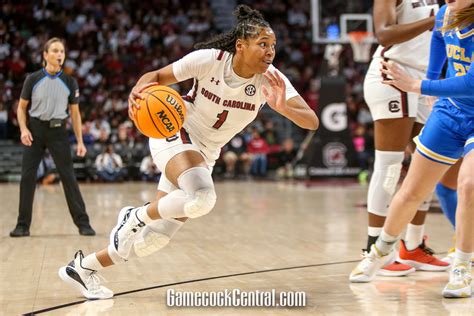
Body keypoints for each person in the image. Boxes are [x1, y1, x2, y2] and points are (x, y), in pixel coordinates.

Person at [58, 5, 318, 299]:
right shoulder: (209, 60)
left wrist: (283, 107)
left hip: (206, 153)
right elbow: (155, 76)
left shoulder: (271, 79)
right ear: (241, 45)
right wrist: (137, 91)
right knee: (202, 197)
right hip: (177, 130)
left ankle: (82, 268)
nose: (270, 51)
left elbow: (312, 121)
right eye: (262, 44)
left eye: (273, 45)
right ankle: (134, 215)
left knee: (148, 242)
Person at [349, 0, 473, 299]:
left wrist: (420, 86)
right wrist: (430, 79)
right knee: (411, 189)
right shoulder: (445, 13)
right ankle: (380, 250)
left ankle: (463, 267)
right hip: (451, 109)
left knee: (468, 185)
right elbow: (438, 42)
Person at [356, 0, 448, 279]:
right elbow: (383, 33)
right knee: (391, 165)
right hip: (392, 72)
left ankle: (413, 244)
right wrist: (432, 21)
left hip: (424, 78)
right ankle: (374, 247)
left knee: (427, 163)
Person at [10, 37, 95, 237]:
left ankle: (83, 223)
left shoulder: (70, 81)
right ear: (45, 55)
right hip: (35, 130)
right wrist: (23, 129)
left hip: (58, 132)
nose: (60, 55)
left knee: (68, 176)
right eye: (55, 51)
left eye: (62, 52)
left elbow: (75, 113)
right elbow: (21, 108)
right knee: (27, 177)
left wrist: (80, 141)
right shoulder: (32, 79)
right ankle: (22, 226)